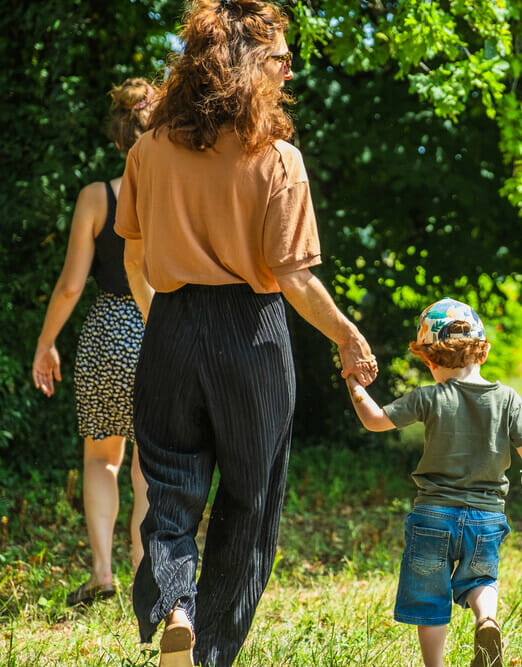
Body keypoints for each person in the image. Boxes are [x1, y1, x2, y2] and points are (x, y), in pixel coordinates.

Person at [114, 2, 377, 666]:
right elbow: (292, 277)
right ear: (248, 67)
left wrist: (164, 321)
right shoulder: (277, 160)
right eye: (281, 59)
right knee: (250, 499)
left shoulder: (147, 150)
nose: (290, 70)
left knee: (168, 484)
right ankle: (210, 654)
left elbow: (135, 257)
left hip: (169, 327)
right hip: (253, 338)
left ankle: (175, 605)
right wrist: (346, 334)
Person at [346, 297, 522, 667]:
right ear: (483, 352)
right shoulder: (507, 398)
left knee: (429, 597)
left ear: (427, 359)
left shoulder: (430, 397)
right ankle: (486, 619)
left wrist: (354, 384)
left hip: (433, 516)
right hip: (487, 517)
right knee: (481, 580)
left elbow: (375, 420)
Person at [32, 77, 157, 608]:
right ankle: (149, 577)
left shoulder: (95, 197)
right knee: (150, 468)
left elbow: (70, 286)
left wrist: (46, 343)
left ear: (115, 138)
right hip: (160, 331)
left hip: (107, 331)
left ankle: (102, 575)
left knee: (101, 461)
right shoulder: (176, 191)